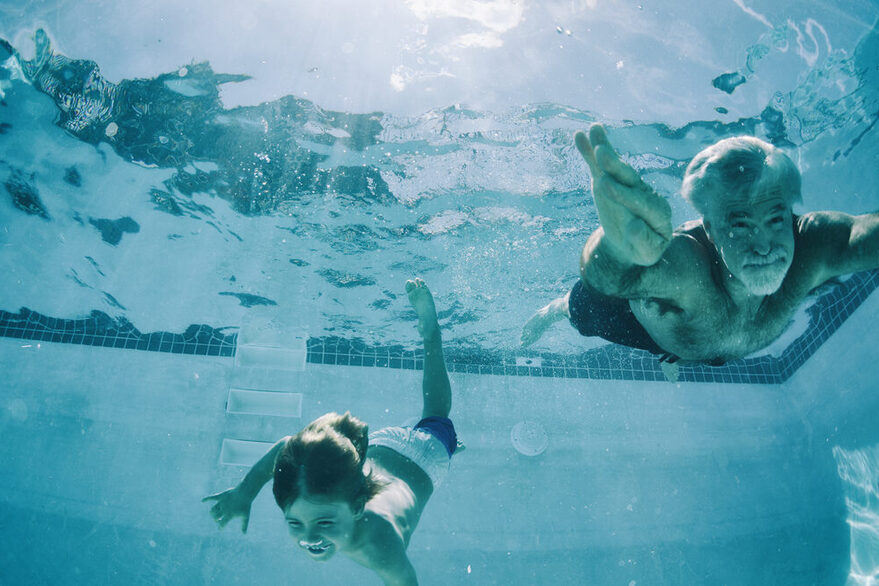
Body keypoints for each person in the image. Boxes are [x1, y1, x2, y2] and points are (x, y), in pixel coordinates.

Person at [522, 124, 879, 364]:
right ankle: (555, 309)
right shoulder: (687, 269)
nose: (764, 246)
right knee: (578, 310)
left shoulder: (812, 247)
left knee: (694, 348)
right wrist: (617, 249)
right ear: (711, 229)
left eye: (775, 220)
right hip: (627, 317)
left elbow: (863, 235)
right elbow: (609, 280)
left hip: (699, 342)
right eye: (740, 226)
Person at [203, 278, 458, 586]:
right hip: (379, 446)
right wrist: (245, 493)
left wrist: (247, 491)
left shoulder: (378, 548)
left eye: (324, 521)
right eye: (294, 522)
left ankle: (432, 336)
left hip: (425, 456)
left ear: (356, 507)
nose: (309, 536)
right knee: (423, 423)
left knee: (436, 416)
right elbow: (287, 447)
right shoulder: (336, 492)